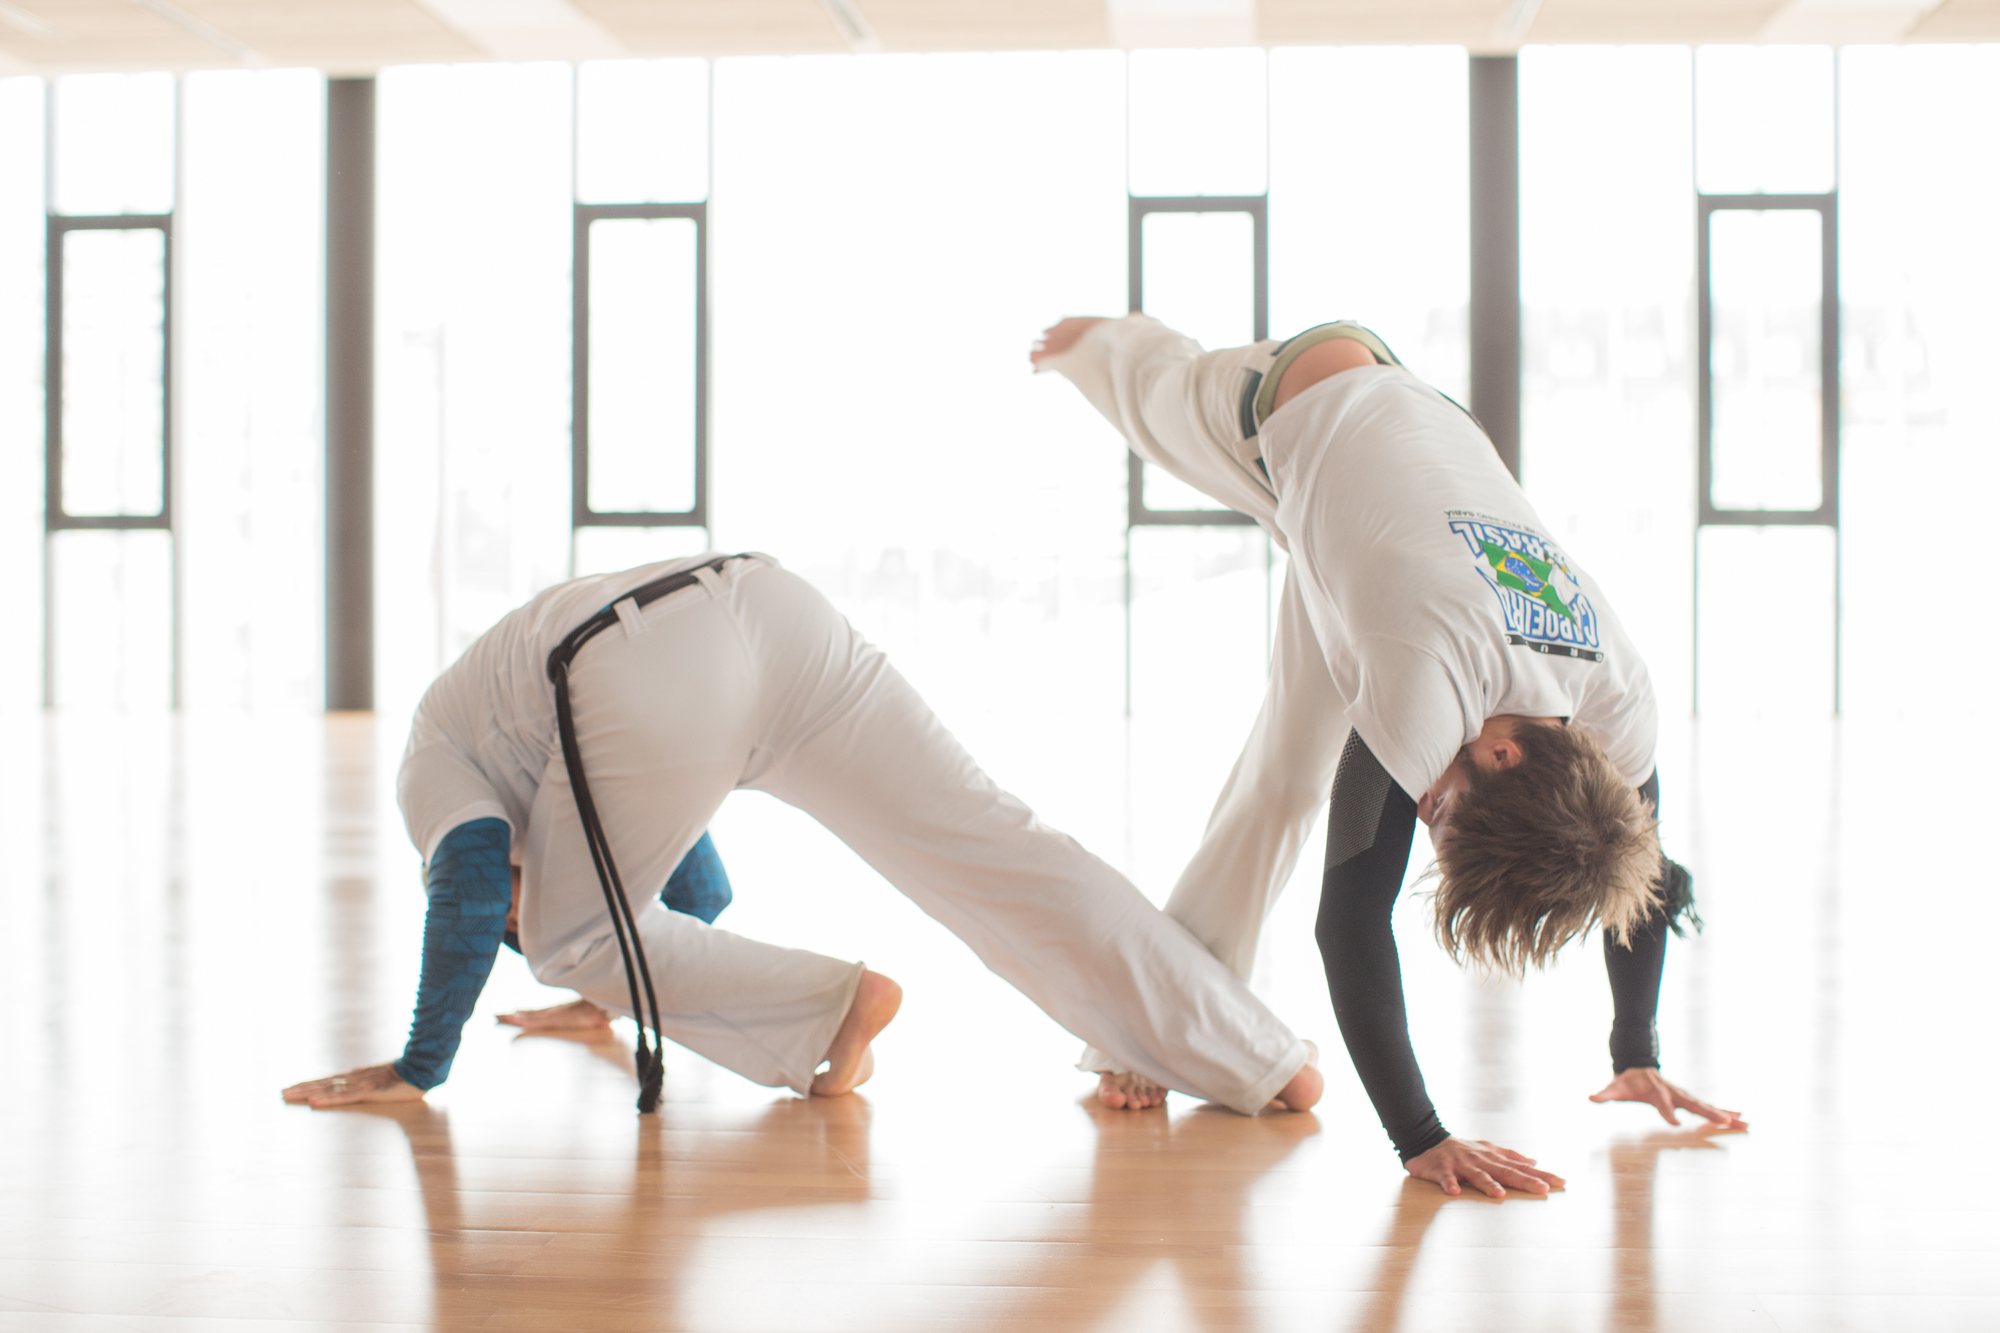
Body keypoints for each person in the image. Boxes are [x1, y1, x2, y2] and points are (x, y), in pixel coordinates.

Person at [1031, 314, 1746, 1199]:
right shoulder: (1424, 674)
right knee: (1151, 396)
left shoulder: (1619, 704)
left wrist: (1635, 1049)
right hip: (1292, 407)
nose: (1425, 805)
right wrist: (1421, 1136)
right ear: (1503, 748)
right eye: (1443, 807)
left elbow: (1637, 877)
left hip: (1380, 505)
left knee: (1288, 782)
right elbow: (1350, 923)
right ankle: (1095, 338)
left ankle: (1156, 1027)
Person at [283, 552, 1322, 1115]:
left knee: (573, 935)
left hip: (643, 666)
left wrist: (419, 1064)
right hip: (767, 606)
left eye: (513, 904)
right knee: (992, 841)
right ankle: (1262, 1057)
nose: (505, 917)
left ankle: (840, 1010)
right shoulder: (546, 752)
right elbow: (697, 903)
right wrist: (614, 1000)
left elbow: (466, 890)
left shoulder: (435, 756)